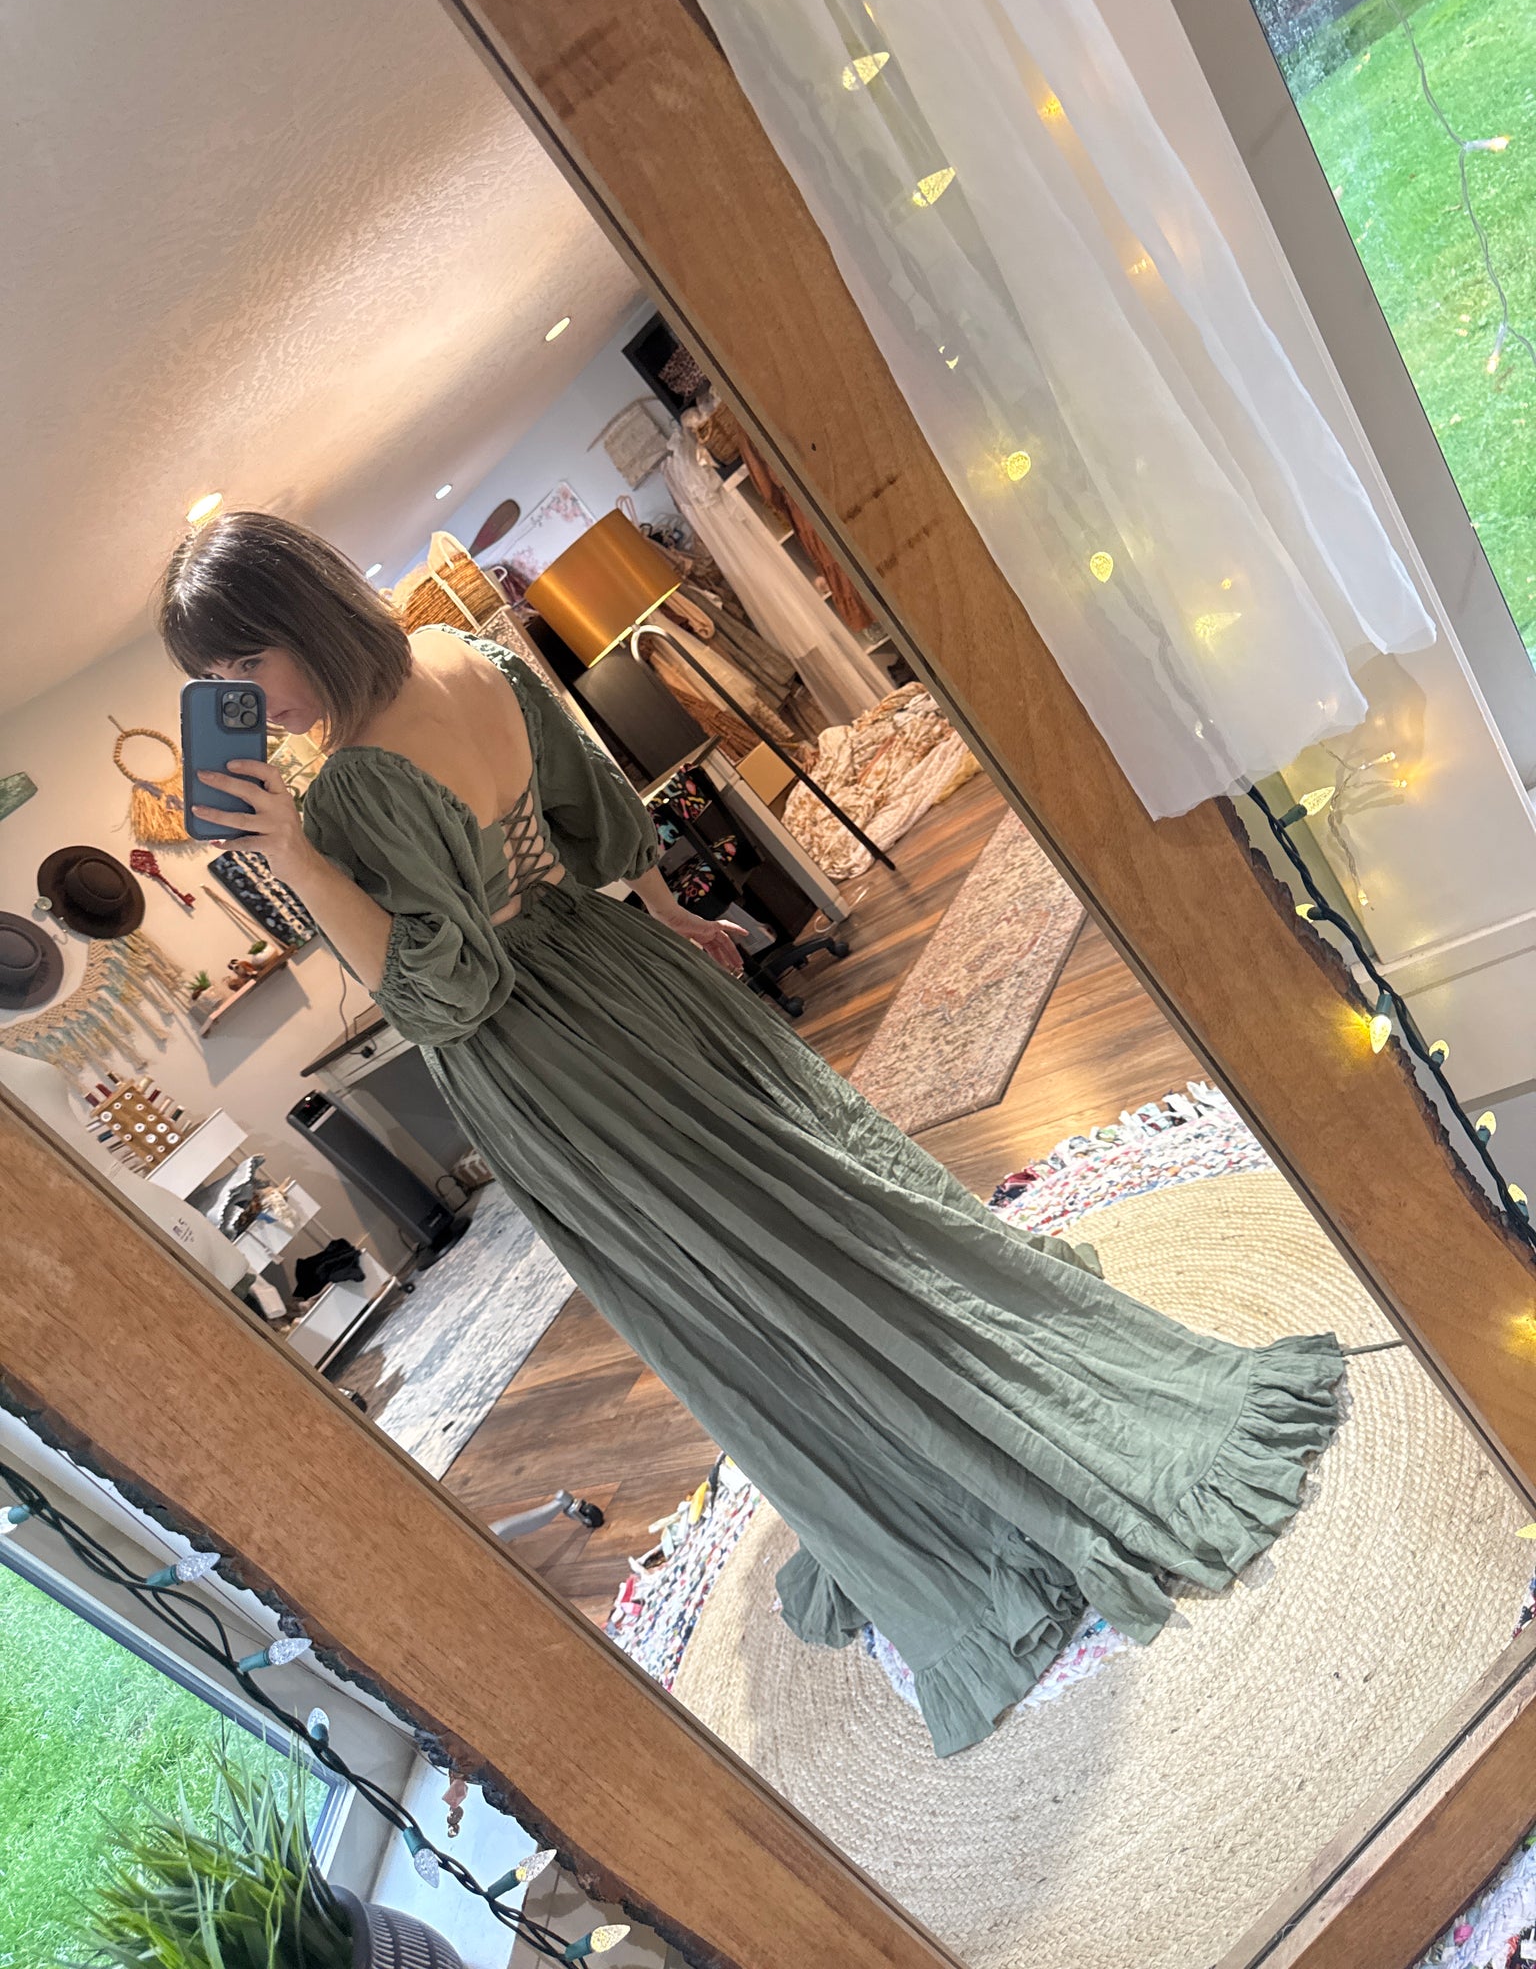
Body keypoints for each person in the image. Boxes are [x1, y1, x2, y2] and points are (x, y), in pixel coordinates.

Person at [158, 511, 1342, 1758]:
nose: (249, 701)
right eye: (218, 682)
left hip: (549, 1058)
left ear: (301, 618)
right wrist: (673, 919)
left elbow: (438, 991)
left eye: (245, 664)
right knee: (819, 1193)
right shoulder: (474, 656)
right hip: (626, 972)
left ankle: (925, 1472)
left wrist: (296, 855)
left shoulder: (345, 786)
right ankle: (967, 1375)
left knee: (732, 1281)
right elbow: (597, 821)